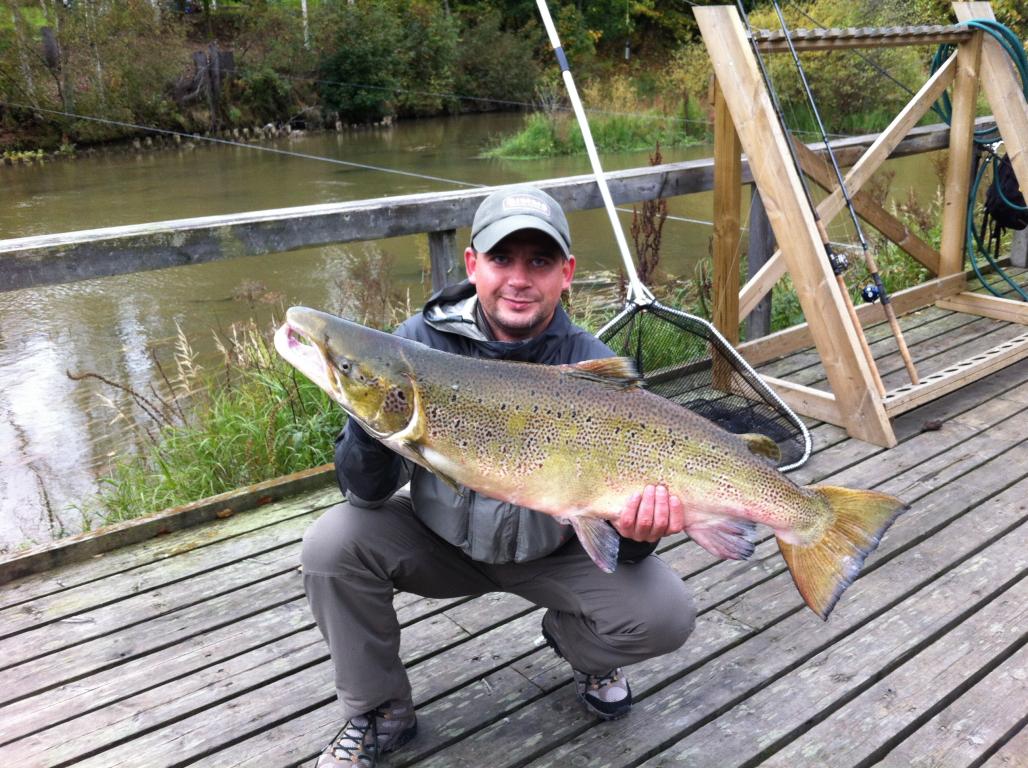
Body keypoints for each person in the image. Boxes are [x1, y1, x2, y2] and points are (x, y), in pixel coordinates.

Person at [301, 185, 695, 767]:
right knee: (331, 544)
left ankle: (578, 646)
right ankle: (380, 711)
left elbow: (624, 547)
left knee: (666, 615)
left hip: (554, 550)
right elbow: (364, 490)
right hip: (441, 542)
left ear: (566, 274)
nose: (518, 278)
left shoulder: (592, 368)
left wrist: (641, 533)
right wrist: (367, 412)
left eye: (539, 262)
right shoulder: (414, 345)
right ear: (472, 264)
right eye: (502, 258)